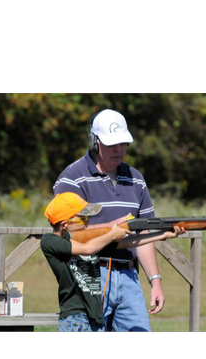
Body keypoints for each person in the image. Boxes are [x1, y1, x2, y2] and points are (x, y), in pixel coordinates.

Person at [53, 109, 178, 332]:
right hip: (90, 277)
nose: (119, 149)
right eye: (112, 144)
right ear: (94, 142)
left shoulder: (136, 179)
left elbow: (145, 235)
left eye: (123, 143)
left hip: (130, 277)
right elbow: (68, 233)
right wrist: (113, 230)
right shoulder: (72, 177)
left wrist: (155, 281)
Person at [41, 192, 184, 332]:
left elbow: (129, 242)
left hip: (94, 317)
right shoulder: (49, 241)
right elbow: (88, 249)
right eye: (83, 219)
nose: (88, 223)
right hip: (75, 319)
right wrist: (111, 234)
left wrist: (162, 234)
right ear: (65, 224)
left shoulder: (91, 240)